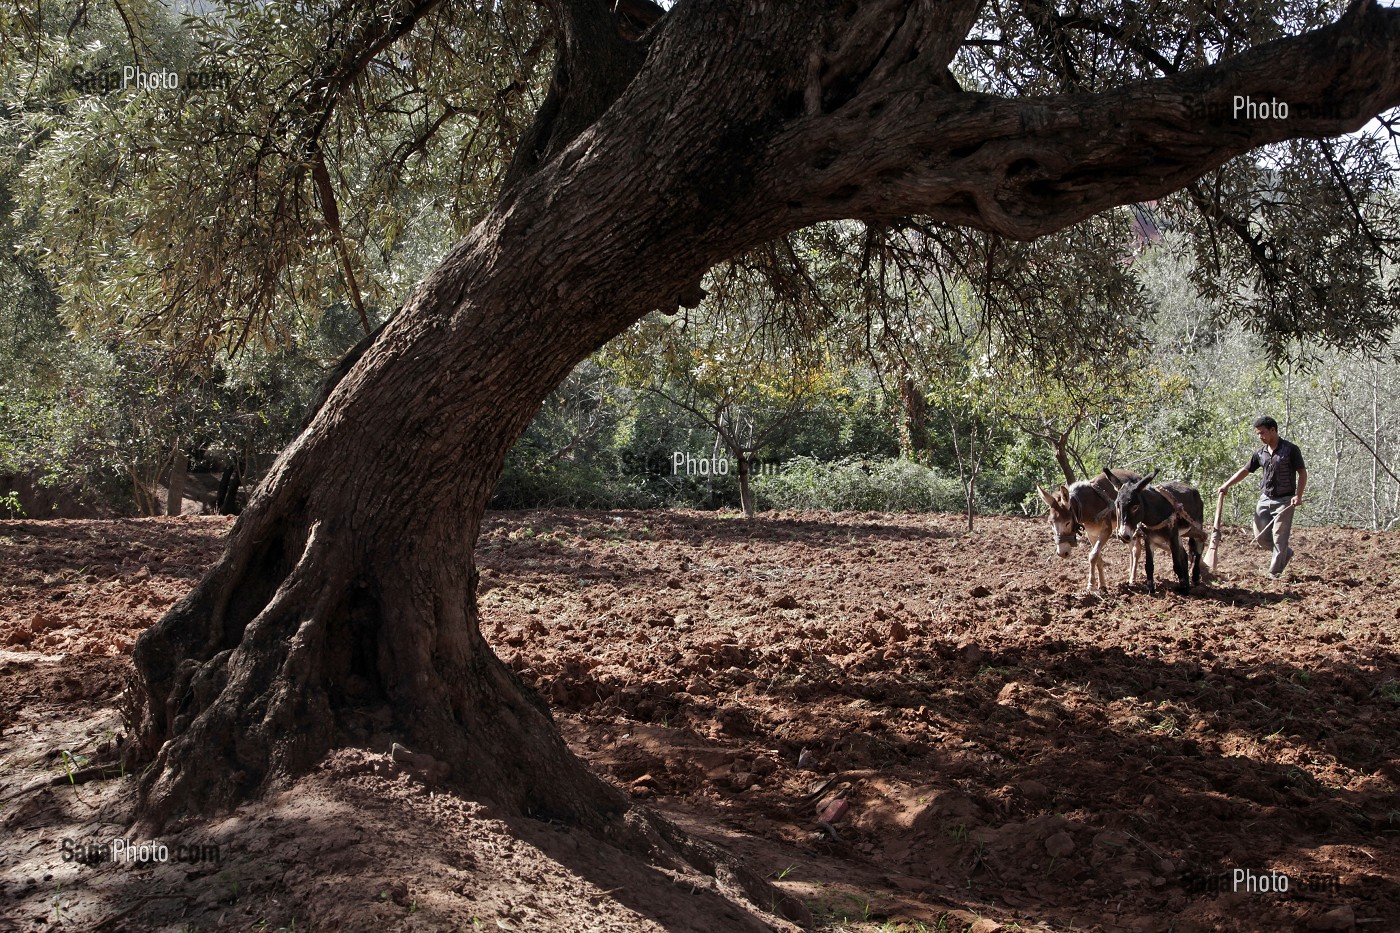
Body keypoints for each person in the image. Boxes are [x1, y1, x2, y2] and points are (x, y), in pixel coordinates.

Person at [1219, 416, 1307, 579]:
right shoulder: (1260, 453)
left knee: (1280, 537)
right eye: (1258, 434)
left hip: (1285, 500)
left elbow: (1302, 472)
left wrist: (1298, 496)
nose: (1260, 437)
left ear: (1273, 430)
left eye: (1262, 433)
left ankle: (1274, 573)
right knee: (1261, 538)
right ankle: (1285, 554)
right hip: (1265, 499)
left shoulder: (1291, 449)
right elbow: (1245, 470)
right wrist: (1226, 485)